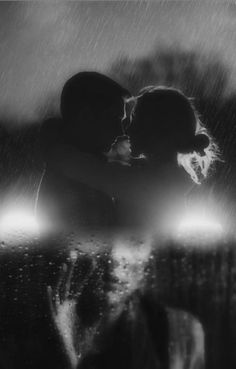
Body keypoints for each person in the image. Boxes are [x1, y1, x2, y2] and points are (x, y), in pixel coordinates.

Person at [36, 71, 130, 242]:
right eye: (114, 119)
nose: (120, 131)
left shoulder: (74, 167)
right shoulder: (74, 176)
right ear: (86, 116)